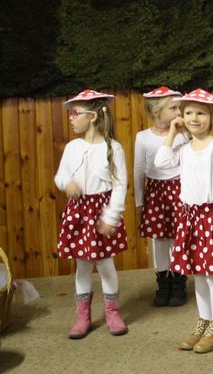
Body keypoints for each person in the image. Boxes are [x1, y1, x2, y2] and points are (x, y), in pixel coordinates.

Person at [154, 88, 213, 354]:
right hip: (190, 218)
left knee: (212, 274)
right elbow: (161, 162)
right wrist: (172, 131)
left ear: (212, 117)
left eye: (201, 113)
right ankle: (204, 320)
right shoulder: (184, 149)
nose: (194, 118)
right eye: (189, 113)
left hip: (211, 218)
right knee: (198, 275)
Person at [54, 89, 129, 339]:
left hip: (101, 212)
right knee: (83, 265)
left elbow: (120, 186)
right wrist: (67, 184)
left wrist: (111, 217)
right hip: (79, 213)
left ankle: (112, 312)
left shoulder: (113, 148)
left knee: (105, 264)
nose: (71, 118)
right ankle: (82, 316)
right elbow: (61, 175)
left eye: (75, 113)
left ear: (93, 116)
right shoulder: (72, 147)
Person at [134, 86, 189, 307]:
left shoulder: (182, 135)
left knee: (177, 238)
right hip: (155, 192)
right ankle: (163, 283)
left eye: (179, 108)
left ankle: (179, 282)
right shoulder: (143, 138)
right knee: (160, 239)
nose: (178, 112)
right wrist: (139, 202)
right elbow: (139, 170)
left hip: (179, 190)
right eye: (173, 108)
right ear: (157, 112)